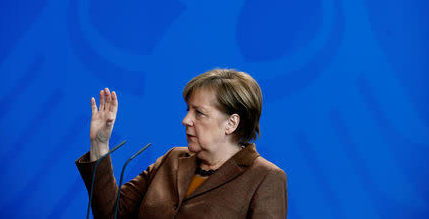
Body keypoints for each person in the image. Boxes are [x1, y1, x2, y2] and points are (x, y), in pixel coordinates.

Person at [76, 68, 287, 218]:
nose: (186, 120)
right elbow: (111, 214)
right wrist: (100, 144)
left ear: (231, 123)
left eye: (199, 113)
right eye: (188, 110)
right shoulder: (172, 159)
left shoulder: (266, 178)